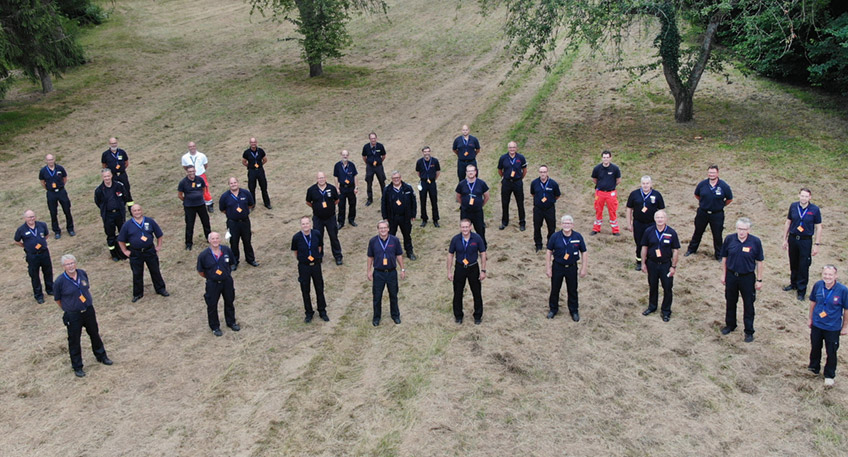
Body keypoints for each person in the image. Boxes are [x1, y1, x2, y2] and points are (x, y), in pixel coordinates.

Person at [53, 254, 112, 377]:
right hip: (73, 315)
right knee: (74, 340)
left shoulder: (82, 274)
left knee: (94, 334)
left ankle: (101, 356)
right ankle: (77, 367)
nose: (70, 266)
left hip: (88, 310)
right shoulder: (60, 281)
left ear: (75, 263)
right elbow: (57, 299)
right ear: (63, 266)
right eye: (67, 264)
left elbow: (86, 288)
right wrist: (68, 309)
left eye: (72, 263)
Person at [720, 218, 764, 343]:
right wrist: (724, 275)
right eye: (739, 229)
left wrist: (759, 279)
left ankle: (749, 331)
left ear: (749, 230)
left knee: (749, 305)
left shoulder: (755, 242)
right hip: (732, 276)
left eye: (744, 229)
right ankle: (730, 325)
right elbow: (724, 258)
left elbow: (759, 262)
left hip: (747, 277)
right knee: (730, 301)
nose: (741, 232)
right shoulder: (729, 239)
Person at [118, 204, 170, 302]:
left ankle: (161, 289)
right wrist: (125, 251)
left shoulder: (150, 221)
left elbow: (159, 234)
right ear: (131, 212)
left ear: (142, 211)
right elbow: (121, 240)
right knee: (137, 273)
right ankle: (138, 294)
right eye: (135, 211)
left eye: (138, 210)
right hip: (135, 253)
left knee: (155, 270)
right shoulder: (127, 225)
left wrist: (158, 246)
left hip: (149, 251)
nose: (137, 212)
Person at [807, 265, 848, 387]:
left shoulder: (843, 290)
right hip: (817, 324)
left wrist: (845, 326)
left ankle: (829, 375)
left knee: (831, 351)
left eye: (830, 275)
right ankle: (813, 368)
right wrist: (810, 318)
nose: (827, 277)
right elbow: (813, 302)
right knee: (815, 347)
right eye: (825, 274)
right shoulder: (818, 285)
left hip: (832, 327)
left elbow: (846, 309)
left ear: (836, 276)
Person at [782, 188, 823, 301]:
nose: (804, 198)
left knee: (804, 265)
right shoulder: (793, 206)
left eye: (806, 196)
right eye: (802, 196)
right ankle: (793, 283)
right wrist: (785, 239)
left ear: (810, 197)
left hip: (805, 240)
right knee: (793, 261)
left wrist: (817, 244)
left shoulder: (814, 209)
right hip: (793, 238)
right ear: (799, 195)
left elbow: (819, 227)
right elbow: (788, 222)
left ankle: (801, 290)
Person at [196, 232, 240, 336]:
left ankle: (231, 322)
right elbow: (200, 271)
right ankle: (215, 327)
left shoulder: (226, 250)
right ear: (209, 241)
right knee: (212, 305)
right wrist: (211, 277)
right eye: (213, 239)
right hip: (213, 284)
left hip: (227, 282)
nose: (215, 240)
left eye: (217, 238)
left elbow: (231, 263)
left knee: (229, 301)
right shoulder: (203, 255)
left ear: (220, 240)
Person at [639, 210, 680, 321]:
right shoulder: (648, 231)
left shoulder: (672, 232)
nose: (660, 219)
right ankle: (652, 307)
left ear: (666, 219)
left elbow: (675, 250)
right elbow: (644, 248)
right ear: (654, 219)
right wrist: (643, 263)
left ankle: (666, 311)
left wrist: (673, 266)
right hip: (652, 264)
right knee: (653, 286)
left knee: (667, 288)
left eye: (662, 217)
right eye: (658, 217)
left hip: (666, 265)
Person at [686, 165, 733, 260]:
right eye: (710, 172)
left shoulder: (724, 186)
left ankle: (719, 255)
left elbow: (729, 199)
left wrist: (719, 205)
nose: (711, 174)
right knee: (697, 232)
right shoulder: (702, 184)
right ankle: (691, 250)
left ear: (717, 173)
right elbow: (697, 195)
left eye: (713, 173)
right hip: (702, 213)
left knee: (717, 235)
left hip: (717, 214)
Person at [546, 215, 588, 321]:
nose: (566, 225)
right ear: (561, 224)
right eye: (564, 223)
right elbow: (549, 251)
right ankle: (553, 309)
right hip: (557, 267)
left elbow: (584, 252)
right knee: (555, 289)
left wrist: (584, 268)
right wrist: (548, 268)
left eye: (569, 223)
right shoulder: (555, 237)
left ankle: (574, 311)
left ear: (572, 225)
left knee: (572, 290)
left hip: (572, 268)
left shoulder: (578, 237)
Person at [447, 219, 487, 324]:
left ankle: (478, 316)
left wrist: (483, 270)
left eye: (466, 227)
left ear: (470, 227)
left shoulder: (477, 238)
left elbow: (483, 253)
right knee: (458, 293)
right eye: (463, 227)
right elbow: (450, 255)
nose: (465, 229)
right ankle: (458, 316)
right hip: (460, 268)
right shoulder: (455, 239)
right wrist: (449, 271)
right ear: (460, 228)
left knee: (476, 293)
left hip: (473, 268)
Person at [366, 220, 405, 326]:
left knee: (393, 295)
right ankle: (376, 318)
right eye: (380, 228)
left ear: (388, 229)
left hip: (391, 272)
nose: (383, 230)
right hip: (378, 273)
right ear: (378, 229)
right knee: (377, 296)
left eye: (384, 228)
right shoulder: (373, 241)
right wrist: (369, 270)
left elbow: (399, 255)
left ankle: (395, 315)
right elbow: (370, 257)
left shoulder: (395, 240)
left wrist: (402, 269)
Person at [291, 216, 329, 323]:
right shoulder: (296, 237)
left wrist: (316, 257)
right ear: (301, 225)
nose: (305, 225)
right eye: (303, 224)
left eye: (307, 223)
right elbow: (295, 252)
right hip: (304, 267)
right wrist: (303, 260)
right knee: (305, 289)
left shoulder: (316, 234)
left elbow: (319, 247)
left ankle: (322, 311)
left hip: (316, 265)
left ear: (310, 224)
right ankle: (308, 313)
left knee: (319, 288)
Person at [626, 176, 666, 270]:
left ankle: (652, 261)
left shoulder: (657, 195)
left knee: (653, 243)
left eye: (647, 183)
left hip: (652, 224)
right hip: (638, 223)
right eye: (643, 183)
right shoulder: (634, 194)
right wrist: (629, 223)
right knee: (639, 243)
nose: (645, 185)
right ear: (641, 184)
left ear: (651, 184)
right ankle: (639, 262)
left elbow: (661, 210)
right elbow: (629, 209)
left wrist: (662, 224)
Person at [218, 177, 258, 270]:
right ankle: (234, 262)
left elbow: (251, 204)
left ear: (238, 183)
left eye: (235, 182)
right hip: (233, 223)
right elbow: (222, 209)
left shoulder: (246, 193)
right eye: (231, 183)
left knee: (247, 241)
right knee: (234, 242)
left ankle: (250, 259)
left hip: (245, 222)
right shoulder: (225, 196)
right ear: (229, 185)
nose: (233, 184)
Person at [14, 210, 53, 304]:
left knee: (48, 272)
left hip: (44, 253)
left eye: (33, 216)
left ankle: (50, 289)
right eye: (29, 217)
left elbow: (46, 235)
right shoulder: (21, 229)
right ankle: (39, 295)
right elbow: (17, 241)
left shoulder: (42, 225)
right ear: (25, 218)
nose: (31, 219)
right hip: (32, 256)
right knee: (35, 275)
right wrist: (26, 246)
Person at [306, 172, 343, 265]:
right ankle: (318, 256)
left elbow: (336, 200)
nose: (321, 180)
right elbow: (308, 202)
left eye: (322, 178)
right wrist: (316, 208)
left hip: (330, 218)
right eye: (319, 178)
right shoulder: (311, 190)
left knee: (334, 237)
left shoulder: (331, 188)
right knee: (318, 238)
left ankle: (338, 256)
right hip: (318, 218)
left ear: (325, 178)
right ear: (316, 179)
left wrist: (329, 208)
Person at [94, 169, 131, 261]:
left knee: (124, 233)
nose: (107, 178)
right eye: (105, 176)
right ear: (102, 177)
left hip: (119, 214)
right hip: (108, 216)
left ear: (111, 176)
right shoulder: (99, 190)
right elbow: (98, 202)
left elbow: (125, 197)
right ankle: (114, 254)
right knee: (110, 235)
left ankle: (127, 251)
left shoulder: (119, 186)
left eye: (108, 176)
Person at [381, 171, 417, 260]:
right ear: (392, 179)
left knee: (407, 235)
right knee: (391, 236)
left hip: (405, 217)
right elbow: (383, 203)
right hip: (392, 218)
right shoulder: (387, 190)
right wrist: (385, 217)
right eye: (394, 178)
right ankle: (390, 252)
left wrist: (413, 214)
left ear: (400, 178)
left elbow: (413, 202)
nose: (396, 180)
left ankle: (409, 251)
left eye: (397, 178)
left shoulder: (407, 188)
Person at [38, 154, 75, 239]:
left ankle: (70, 229)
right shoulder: (43, 171)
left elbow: (65, 178)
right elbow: (42, 181)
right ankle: (57, 231)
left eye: (51, 159)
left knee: (67, 210)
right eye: (48, 160)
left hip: (61, 191)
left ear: (54, 159)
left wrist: (61, 185)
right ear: (46, 161)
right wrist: (48, 189)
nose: (50, 161)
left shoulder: (60, 168)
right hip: (51, 193)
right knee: (53, 213)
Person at [177, 165, 211, 251]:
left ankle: (209, 238)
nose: (191, 173)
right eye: (190, 171)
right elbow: (180, 195)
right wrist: (187, 200)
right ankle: (188, 243)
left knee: (206, 222)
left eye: (193, 171)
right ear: (186, 172)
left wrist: (199, 197)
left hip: (201, 205)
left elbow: (204, 189)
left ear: (195, 171)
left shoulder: (200, 179)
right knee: (189, 225)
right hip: (189, 207)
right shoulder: (183, 182)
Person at [455, 164, 490, 244]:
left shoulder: (481, 183)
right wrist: (464, 204)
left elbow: (487, 196)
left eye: (472, 171)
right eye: (469, 171)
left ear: (475, 172)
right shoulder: (462, 184)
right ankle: (466, 245)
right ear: (466, 172)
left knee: (480, 229)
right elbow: (458, 196)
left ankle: (482, 246)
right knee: (465, 230)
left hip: (477, 212)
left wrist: (480, 205)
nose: (470, 173)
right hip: (466, 212)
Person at [530, 165, 561, 252]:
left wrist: (550, 201)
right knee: (537, 227)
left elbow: (557, 195)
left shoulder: (553, 184)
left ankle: (550, 245)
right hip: (538, 209)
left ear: (547, 173)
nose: (543, 174)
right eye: (541, 172)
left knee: (551, 227)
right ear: (539, 173)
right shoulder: (534, 183)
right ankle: (538, 245)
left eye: (544, 172)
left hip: (549, 209)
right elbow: (533, 194)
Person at [497, 141, 527, 231]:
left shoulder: (521, 157)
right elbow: (499, 170)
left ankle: (522, 222)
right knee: (505, 202)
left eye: (513, 147)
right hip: (506, 182)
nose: (512, 149)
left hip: (517, 182)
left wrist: (520, 178)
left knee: (520, 203)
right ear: (508, 148)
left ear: (516, 148)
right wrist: (504, 177)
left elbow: (524, 170)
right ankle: (504, 222)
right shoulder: (503, 158)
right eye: (510, 147)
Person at [590, 150, 621, 236]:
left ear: (610, 158)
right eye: (604, 157)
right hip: (600, 193)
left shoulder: (615, 169)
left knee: (612, 211)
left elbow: (618, 180)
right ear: (602, 158)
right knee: (598, 210)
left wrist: (610, 186)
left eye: (607, 157)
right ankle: (596, 228)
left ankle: (615, 230)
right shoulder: (597, 168)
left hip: (611, 193)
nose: (606, 159)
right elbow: (594, 179)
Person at [100, 137, 134, 207]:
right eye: (112, 143)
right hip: (113, 176)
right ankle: (120, 207)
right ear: (109, 144)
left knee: (126, 190)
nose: (114, 145)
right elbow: (104, 165)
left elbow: (126, 162)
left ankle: (131, 208)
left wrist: (121, 169)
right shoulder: (105, 154)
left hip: (122, 175)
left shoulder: (122, 152)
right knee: (116, 192)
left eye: (115, 143)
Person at [182, 141, 214, 212]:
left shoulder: (201, 155)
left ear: (195, 146)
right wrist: (191, 173)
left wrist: (199, 171)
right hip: (191, 177)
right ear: (188, 148)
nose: (192, 148)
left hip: (201, 175)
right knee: (191, 190)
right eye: (190, 146)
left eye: (193, 146)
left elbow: (205, 165)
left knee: (205, 189)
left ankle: (209, 204)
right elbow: (184, 166)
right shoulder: (185, 157)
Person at [241, 137, 272, 209]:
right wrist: (250, 166)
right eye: (252, 142)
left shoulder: (260, 151)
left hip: (260, 170)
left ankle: (267, 203)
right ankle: (252, 205)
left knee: (264, 187)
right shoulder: (247, 152)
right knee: (252, 188)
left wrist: (260, 165)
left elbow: (265, 159)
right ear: (250, 143)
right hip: (252, 171)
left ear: (256, 143)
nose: (253, 144)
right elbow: (244, 161)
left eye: (254, 142)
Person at [415, 146, 440, 227]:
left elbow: (438, 171)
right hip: (423, 183)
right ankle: (424, 219)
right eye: (425, 151)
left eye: (428, 151)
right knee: (423, 201)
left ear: (430, 152)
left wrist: (433, 179)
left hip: (432, 183)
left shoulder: (435, 161)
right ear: (423, 152)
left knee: (434, 201)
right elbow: (418, 172)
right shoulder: (419, 162)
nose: (426, 153)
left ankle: (435, 219)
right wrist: (424, 178)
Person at [333, 149, 358, 228]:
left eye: (346, 155)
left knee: (352, 204)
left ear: (348, 156)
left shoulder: (352, 165)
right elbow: (335, 177)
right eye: (343, 154)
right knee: (341, 206)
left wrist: (356, 187)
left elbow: (355, 176)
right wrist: (337, 188)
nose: (345, 156)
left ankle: (351, 220)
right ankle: (341, 222)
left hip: (351, 188)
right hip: (342, 189)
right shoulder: (337, 166)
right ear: (341, 155)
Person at [361, 132, 387, 207]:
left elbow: (384, 155)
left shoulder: (380, 146)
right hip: (370, 167)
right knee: (369, 183)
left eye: (374, 138)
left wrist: (380, 162)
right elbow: (364, 156)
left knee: (382, 182)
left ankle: (384, 198)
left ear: (376, 138)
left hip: (378, 167)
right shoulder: (366, 147)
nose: (373, 140)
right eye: (371, 138)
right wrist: (368, 163)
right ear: (369, 139)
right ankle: (369, 199)